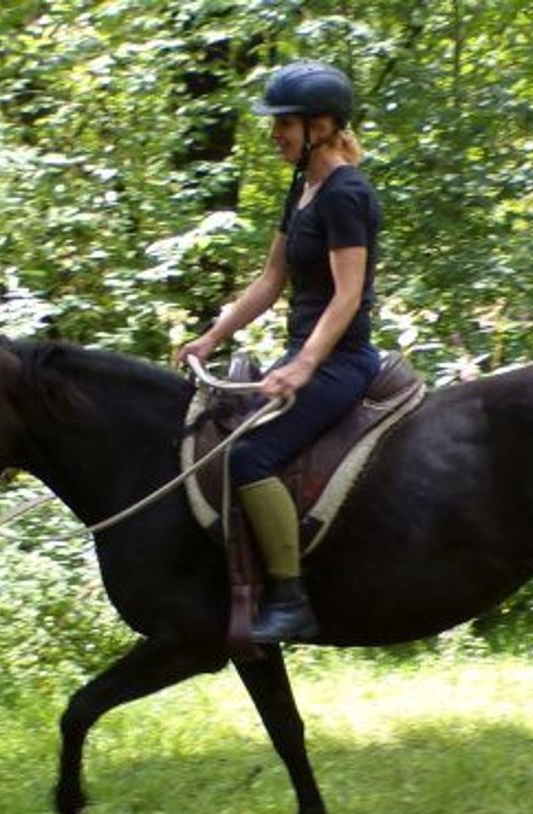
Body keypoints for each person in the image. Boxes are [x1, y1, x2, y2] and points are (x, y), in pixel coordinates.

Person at [174, 60, 383, 643]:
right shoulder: (304, 188)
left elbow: (346, 298)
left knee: (250, 459)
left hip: (341, 363)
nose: (275, 135)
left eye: (284, 124)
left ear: (320, 124)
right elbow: (271, 280)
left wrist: (305, 364)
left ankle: (291, 600)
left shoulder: (346, 192)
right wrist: (213, 336)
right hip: (308, 353)